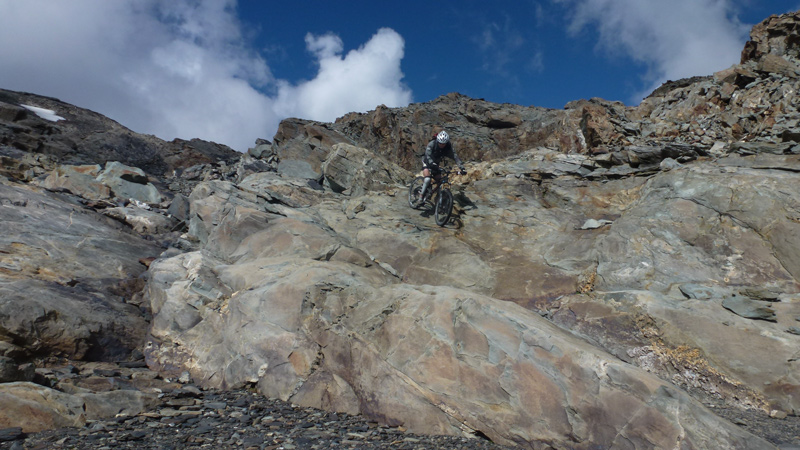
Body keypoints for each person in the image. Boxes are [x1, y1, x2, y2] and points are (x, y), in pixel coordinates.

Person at [416, 130, 466, 205]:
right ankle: (420, 197)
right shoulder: (432, 144)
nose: (442, 145)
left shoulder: (448, 147)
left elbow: (455, 157)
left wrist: (462, 168)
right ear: (437, 141)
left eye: (444, 144)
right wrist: (431, 163)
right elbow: (427, 155)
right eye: (440, 143)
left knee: (439, 181)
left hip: (436, 163)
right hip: (427, 161)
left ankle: (438, 201)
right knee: (427, 179)